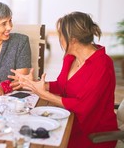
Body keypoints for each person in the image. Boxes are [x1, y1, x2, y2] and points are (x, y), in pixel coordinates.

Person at [11, 11, 118, 147]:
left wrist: (44, 95)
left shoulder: (102, 64)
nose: (59, 39)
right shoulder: (70, 57)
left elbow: (82, 106)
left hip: (92, 134)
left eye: (61, 35)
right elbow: (63, 86)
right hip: (68, 120)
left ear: (72, 39)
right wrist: (36, 85)